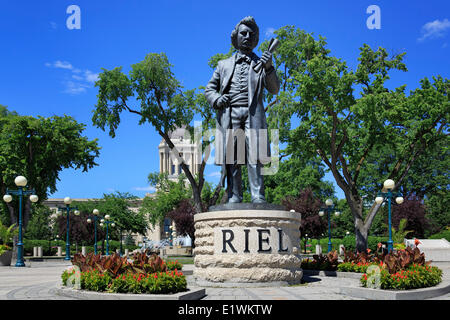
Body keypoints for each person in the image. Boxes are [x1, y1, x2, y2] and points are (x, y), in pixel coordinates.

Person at [205, 16, 280, 204]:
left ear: (255, 40)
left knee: (255, 155)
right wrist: (218, 99)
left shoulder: (262, 63)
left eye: (251, 34)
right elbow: (209, 90)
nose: (247, 36)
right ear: (235, 37)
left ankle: (258, 195)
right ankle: (234, 196)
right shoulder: (223, 65)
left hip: (253, 115)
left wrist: (269, 67)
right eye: (243, 33)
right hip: (230, 115)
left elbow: (274, 89)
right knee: (233, 158)